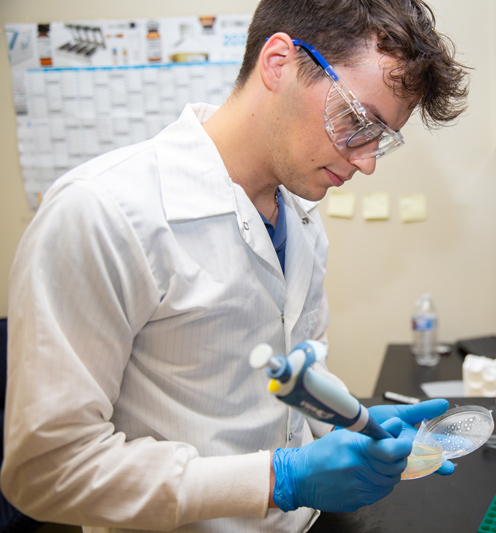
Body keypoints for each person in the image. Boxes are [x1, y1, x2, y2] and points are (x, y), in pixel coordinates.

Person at [1, 1, 469, 532]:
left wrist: (350, 422)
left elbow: (281, 378)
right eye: (359, 120)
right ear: (278, 63)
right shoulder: (102, 213)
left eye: (382, 138)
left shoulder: (301, 217)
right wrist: (278, 479)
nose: (366, 161)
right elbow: (45, 471)